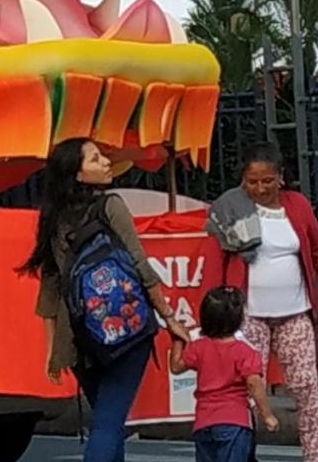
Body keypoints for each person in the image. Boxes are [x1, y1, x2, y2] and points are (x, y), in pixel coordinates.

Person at [19, 136, 191, 462]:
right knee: (109, 424)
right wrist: (169, 318)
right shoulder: (110, 205)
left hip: (81, 335)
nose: (106, 162)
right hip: (129, 329)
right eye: (96, 159)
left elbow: (51, 285)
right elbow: (140, 265)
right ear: (78, 174)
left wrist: (54, 347)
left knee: (107, 419)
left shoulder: (52, 218)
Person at [202, 143, 318, 462]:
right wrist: (211, 316)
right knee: (247, 391)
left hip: (294, 313)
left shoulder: (298, 205)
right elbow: (214, 263)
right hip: (248, 316)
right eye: (252, 181)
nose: (260, 188)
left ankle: (313, 456)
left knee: (306, 387)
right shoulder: (230, 208)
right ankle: (243, 454)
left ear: (280, 178)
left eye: (267, 180)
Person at [170, 286, 279, 462]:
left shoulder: (199, 347)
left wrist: (177, 339)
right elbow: (254, 383)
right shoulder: (245, 351)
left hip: (203, 422)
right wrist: (266, 414)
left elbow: (176, 367)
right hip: (235, 420)